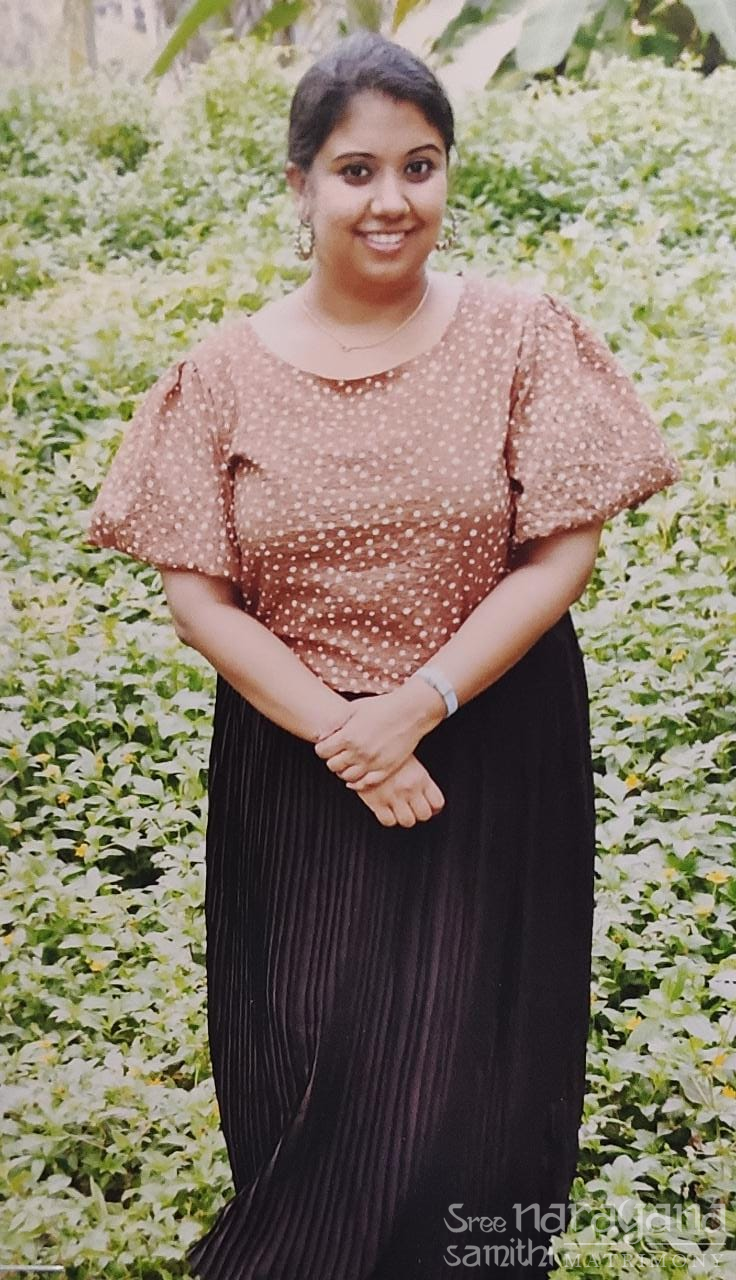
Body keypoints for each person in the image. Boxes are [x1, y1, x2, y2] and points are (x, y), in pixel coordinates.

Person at [84, 30, 682, 1280]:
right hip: (298, 755)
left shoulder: (522, 336)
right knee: (314, 1064)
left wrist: (418, 700)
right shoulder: (220, 375)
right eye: (356, 170)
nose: (392, 199)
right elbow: (198, 596)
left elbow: (558, 556)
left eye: (421, 165)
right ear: (299, 183)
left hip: (490, 742)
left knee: (480, 1078)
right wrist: (348, 732)